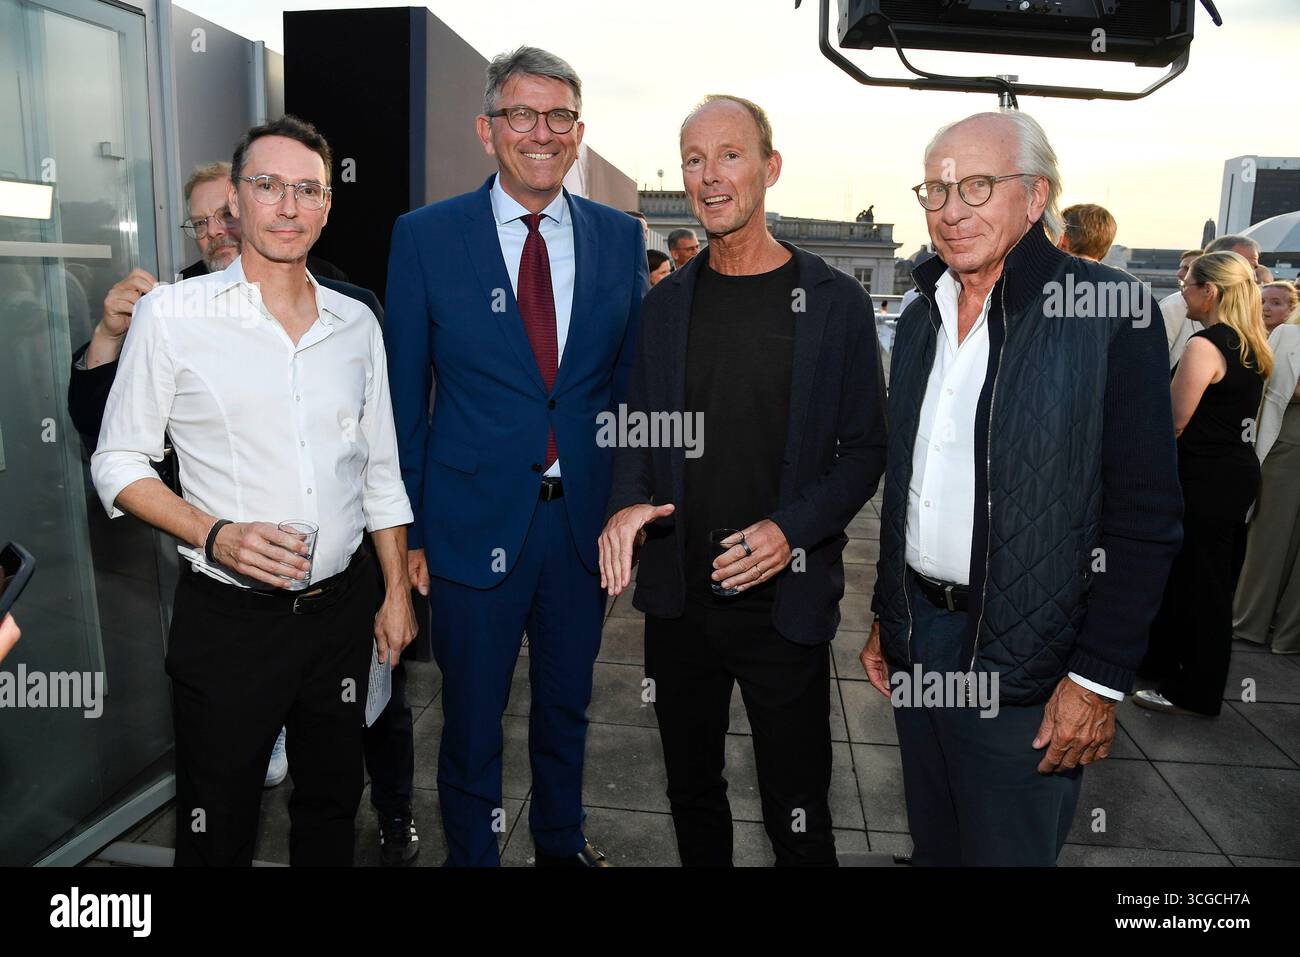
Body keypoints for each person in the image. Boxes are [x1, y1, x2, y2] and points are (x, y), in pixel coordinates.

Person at [66, 160, 423, 865]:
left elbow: (380, 470)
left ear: (325, 208)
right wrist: (215, 534)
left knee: (329, 807)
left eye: (307, 190)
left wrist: (395, 591)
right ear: (238, 204)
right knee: (217, 819)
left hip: (340, 615)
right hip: (230, 624)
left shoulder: (356, 320)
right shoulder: (174, 313)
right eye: (266, 187)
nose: (287, 205)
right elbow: (115, 457)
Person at [858, 110, 1182, 866]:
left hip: (1031, 664)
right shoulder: (919, 317)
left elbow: (1145, 515)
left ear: (1035, 197)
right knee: (936, 844)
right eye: (934, 190)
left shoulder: (1111, 312)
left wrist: (1097, 677)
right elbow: (911, 482)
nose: (950, 209)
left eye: (976, 185)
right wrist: (889, 614)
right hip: (922, 645)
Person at [601, 95, 886, 867]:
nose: (709, 175)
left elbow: (865, 450)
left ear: (770, 166)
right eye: (693, 159)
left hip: (784, 605)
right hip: (680, 603)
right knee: (692, 795)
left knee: (798, 811)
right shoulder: (663, 308)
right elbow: (639, 427)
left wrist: (789, 529)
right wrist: (627, 503)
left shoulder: (835, 305)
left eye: (729, 155)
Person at [384, 46, 646, 867]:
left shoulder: (618, 236)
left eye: (559, 116)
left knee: (567, 708)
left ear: (577, 132)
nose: (542, 132)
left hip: (580, 529)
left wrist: (626, 508)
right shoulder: (425, 237)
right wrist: (413, 533)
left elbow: (629, 389)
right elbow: (401, 397)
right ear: (487, 128)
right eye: (522, 115)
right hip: (468, 528)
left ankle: (560, 845)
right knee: (470, 719)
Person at [1137, 252, 1272, 715]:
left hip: (1203, 479)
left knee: (1202, 584)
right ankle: (1169, 669)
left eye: (1189, 282)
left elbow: (1173, 422)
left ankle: (1195, 690)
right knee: (1204, 579)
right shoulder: (1251, 343)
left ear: (1210, 292)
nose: (1182, 289)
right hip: (1232, 475)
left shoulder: (1204, 345)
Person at [1233, 284, 1300, 655]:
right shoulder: (1289, 334)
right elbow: (1277, 389)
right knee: (1268, 538)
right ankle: (1249, 622)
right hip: (1286, 445)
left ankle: (1290, 635)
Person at [1167, 236, 1263, 368]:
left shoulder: (1251, 326)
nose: (1253, 275)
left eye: (1253, 267)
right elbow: (1152, 358)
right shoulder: (1177, 304)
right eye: (1244, 264)